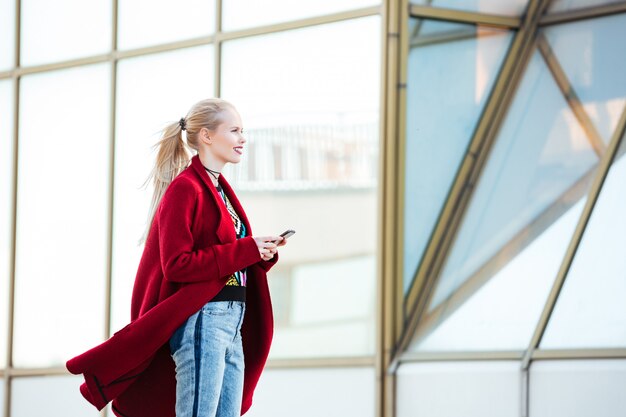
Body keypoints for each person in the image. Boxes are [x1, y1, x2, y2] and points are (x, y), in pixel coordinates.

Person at [66, 98, 286, 417]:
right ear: (207, 136)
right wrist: (246, 248)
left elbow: (226, 256)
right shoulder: (186, 189)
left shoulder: (220, 190)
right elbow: (177, 264)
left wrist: (258, 252)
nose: (243, 138)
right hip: (205, 320)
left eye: (243, 131)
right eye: (235, 130)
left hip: (232, 320)